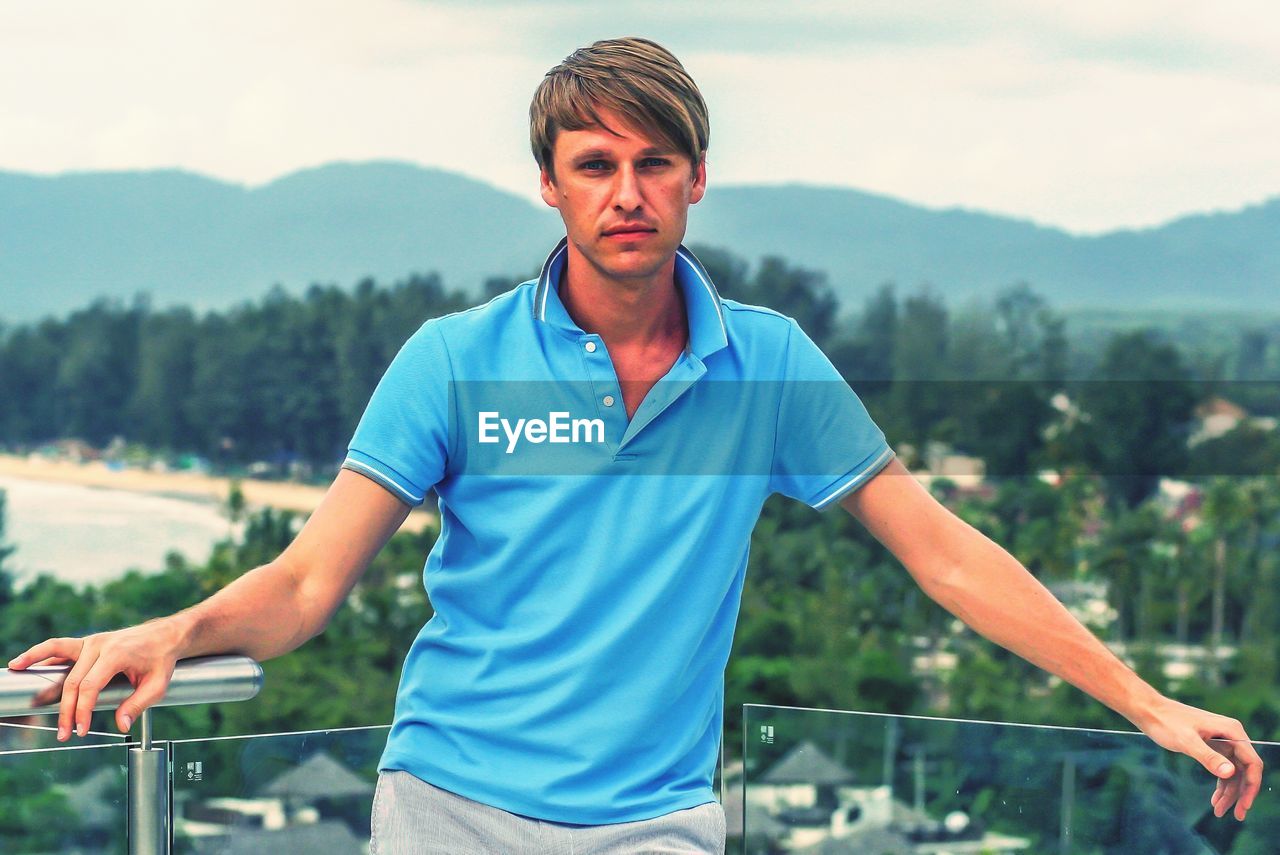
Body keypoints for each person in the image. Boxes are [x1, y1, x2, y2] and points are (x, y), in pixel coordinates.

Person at [7, 36, 1263, 854]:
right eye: (592, 163)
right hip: (445, 805)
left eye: (652, 163)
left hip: (655, 824)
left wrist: (1144, 702)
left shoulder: (766, 363)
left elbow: (946, 559)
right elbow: (302, 585)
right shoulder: (452, 361)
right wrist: (169, 632)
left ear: (695, 180)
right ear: (546, 184)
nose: (625, 191)